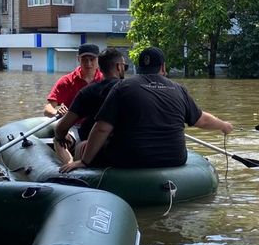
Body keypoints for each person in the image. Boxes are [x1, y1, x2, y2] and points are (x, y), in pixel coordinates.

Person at [59, 46, 233, 172]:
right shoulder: (179, 89)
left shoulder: (123, 87)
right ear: (163, 67)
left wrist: (85, 161)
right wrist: (223, 125)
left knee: (83, 145)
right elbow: (201, 120)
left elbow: (102, 128)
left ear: (138, 67)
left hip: (132, 159)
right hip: (175, 158)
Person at [52, 48, 128, 164]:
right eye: (124, 67)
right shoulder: (133, 90)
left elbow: (61, 128)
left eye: (91, 59)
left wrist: (60, 136)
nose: (88, 64)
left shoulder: (88, 92)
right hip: (127, 146)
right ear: (119, 67)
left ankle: (70, 168)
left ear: (99, 65)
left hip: (94, 146)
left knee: (62, 140)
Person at [44, 43, 103, 117]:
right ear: (78, 59)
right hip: (71, 125)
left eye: (92, 59)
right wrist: (56, 112)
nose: (88, 63)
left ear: (99, 59)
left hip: (97, 126)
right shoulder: (66, 81)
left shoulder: (105, 80)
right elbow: (48, 109)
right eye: (84, 60)